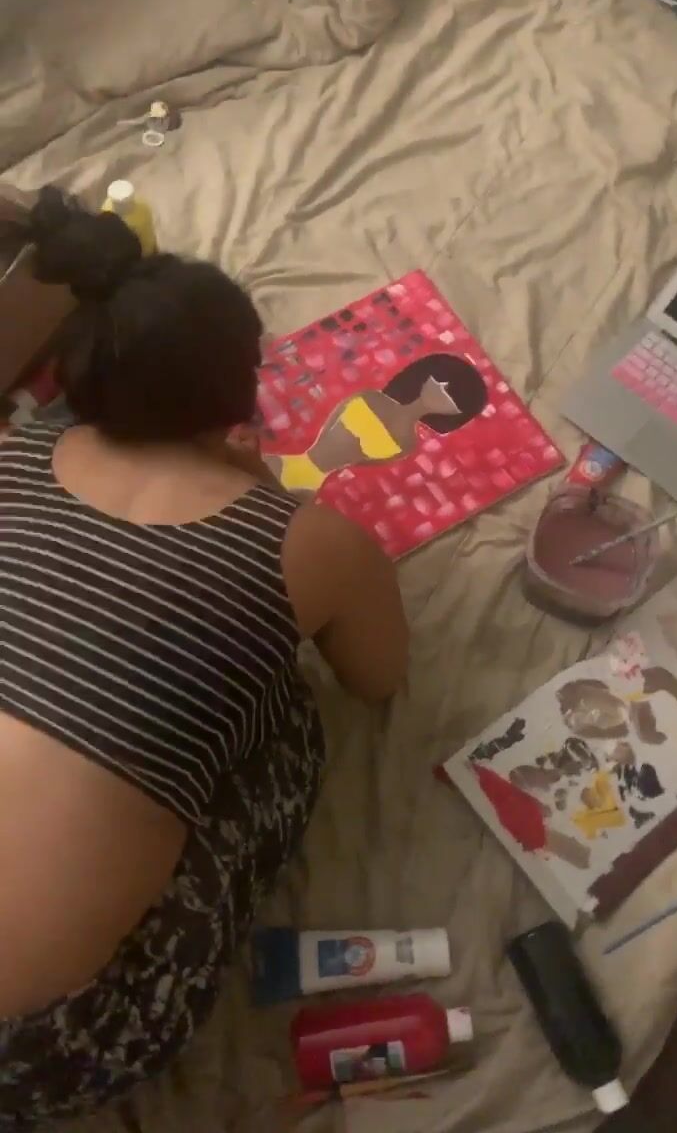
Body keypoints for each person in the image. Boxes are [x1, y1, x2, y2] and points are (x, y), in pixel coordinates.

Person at [0, 186, 408, 1128]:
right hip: (44, 1047)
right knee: (286, 719)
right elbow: (379, 678)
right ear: (238, 398)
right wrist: (272, 503)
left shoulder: (14, 457)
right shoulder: (303, 539)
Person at [268, 353, 488, 493]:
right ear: (428, 375)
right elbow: (331, 421)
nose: (442, 392)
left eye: (452, 399)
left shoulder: (407, 443)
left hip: (313, 483)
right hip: (293, 462)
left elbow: (361, 462)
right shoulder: (371, 398)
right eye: (442, 384)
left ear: (455, 412)